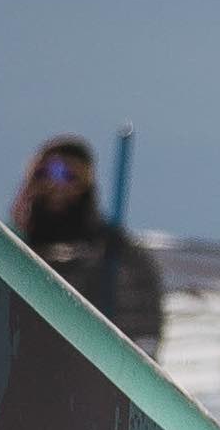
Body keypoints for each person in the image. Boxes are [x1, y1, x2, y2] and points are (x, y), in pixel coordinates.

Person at [13, 136, 163, 352]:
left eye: (70, 175)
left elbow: (143, 336)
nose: (57, 186)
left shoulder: (118, 256)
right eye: (44, 174)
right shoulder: (8, 253)